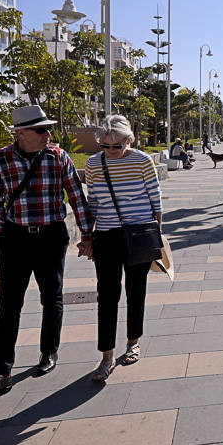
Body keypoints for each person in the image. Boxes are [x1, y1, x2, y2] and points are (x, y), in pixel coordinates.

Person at [0, 105, 93, 397]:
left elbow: (76, 196)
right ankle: (0, 372)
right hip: (14, 237)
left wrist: (87, 235)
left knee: (51, 297)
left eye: (48, 129)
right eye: (41, 130)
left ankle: (49, 352)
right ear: (21, 133)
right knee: (9, 305)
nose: (48, 134)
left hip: (51, 236)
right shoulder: (0, 159)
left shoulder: (58, 157)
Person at [83, 115, 164, 382]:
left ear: (129, 140)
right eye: (105, 145)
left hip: (138, 235)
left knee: (135, 291)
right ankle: (106, 357)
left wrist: (156, 237)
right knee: (106, 296)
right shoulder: (94, 163)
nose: (110, 150)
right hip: (106, 236)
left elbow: (156, 201)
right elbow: (93, 202)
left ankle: (133, 342)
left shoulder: (142, 161)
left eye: (116, 145)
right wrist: (88, 238)